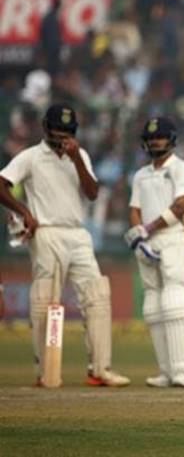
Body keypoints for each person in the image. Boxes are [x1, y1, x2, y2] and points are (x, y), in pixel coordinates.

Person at [0, 103, 129, 387]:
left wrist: (77, 160)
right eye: (58, 131)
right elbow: (2, 183)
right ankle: (45, 373)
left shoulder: (79, 155)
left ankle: (100, 370)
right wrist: (24, 212)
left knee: (97, 297)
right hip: (46, 233)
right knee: (45, 301)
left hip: (78, 234)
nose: (62, 137)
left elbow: (93, 193)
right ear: (46, 129)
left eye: (67, 132)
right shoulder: (31, 157)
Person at [124, 116, 184, 388]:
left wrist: (148, 228)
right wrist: (139, 239)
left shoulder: (182, 168)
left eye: (161, 137)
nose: (156, 141)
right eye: (152, 138)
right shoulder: (141, 174)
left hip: (172, 237)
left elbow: (181, 206)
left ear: (172, 140)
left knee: (174, 300)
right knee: (153, 304)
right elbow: (135, 209)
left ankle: (183, 372)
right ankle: (166, 371)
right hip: (147, 242)